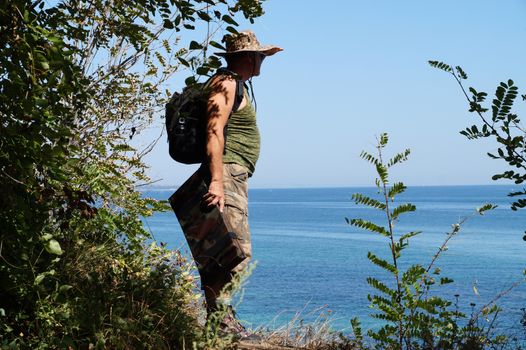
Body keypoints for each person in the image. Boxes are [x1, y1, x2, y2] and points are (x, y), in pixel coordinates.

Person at [201, 30, 282, 335]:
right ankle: (220, 323)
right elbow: (213, 130)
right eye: (261, 56)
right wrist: (218, 181)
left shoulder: (238, 84)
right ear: (249, 57)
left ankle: (219, 320)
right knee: (235, 252)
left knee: (226, 251)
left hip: (234, 174)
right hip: (227, 174)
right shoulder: (226, 83)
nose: (263, 60)